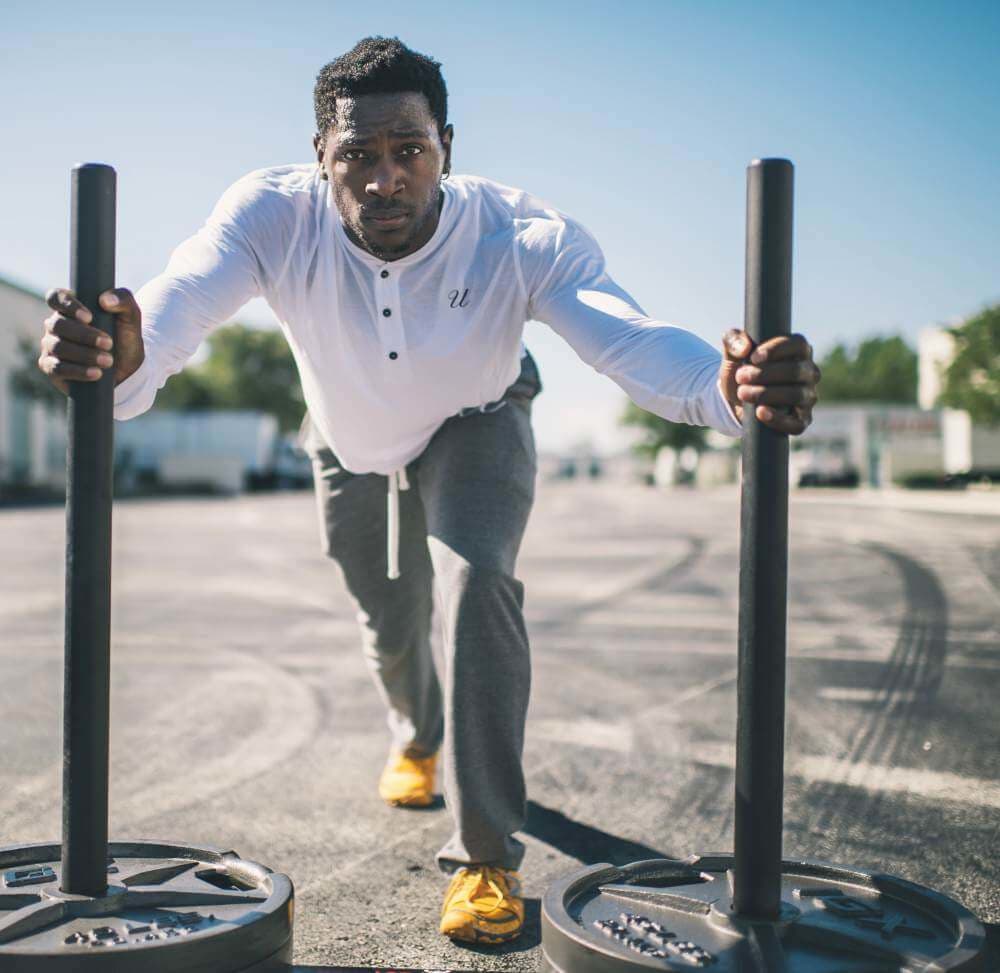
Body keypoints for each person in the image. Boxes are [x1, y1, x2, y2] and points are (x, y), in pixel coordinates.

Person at [37, 36, 820, 945]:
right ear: (319, 157)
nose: (385, 179)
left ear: (447, 146)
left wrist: (727, 389)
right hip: (347, 434)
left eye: (409, 149)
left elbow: (629, 339)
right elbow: (176, 306)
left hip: (476, 416)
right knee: (388, 614)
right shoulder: (269, 216)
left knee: (474, 581)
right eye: (357, 155)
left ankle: (485, 854)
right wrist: (124, 356)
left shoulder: (518, 235)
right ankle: (416, 732)